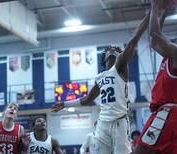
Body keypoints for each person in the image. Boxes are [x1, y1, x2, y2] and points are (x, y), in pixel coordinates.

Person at [51, 13, 150, 154]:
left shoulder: (120, 67)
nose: (113, 50)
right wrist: (65, 104)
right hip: (103, 122)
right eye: (109, 49)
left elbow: (134, 40)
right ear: (103, 58)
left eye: (116, 49)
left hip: (119, 122)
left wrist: (149, 14)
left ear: (119, 54)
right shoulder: (99, 77)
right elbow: (86, 99)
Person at [133, 0, 177, 154]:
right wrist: (163, 14)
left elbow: (155, 33)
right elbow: (154, 43)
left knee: (139, 151)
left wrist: (155, 5)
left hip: (167, 114)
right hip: (175, 117)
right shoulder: (175, 56)